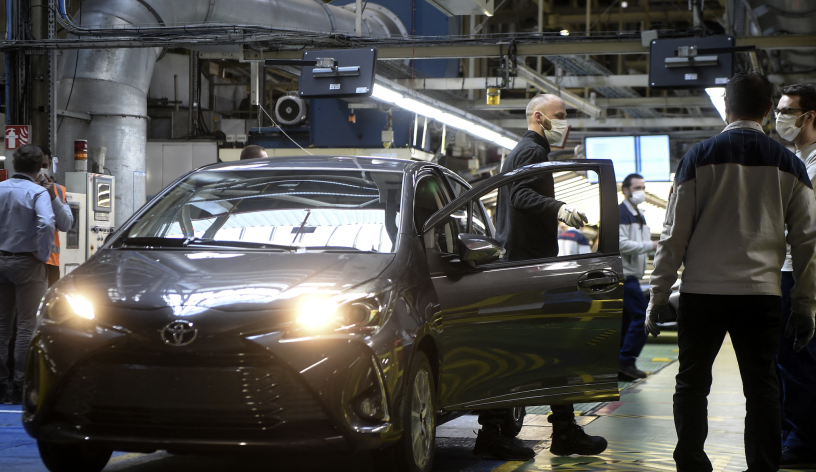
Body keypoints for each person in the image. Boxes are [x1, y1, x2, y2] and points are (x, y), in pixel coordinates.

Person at [647, 71, 816, 472]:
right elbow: (808, 241)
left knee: (691, 383)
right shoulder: (790, 163)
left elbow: (673, 235)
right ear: (766, 110)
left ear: (726, 107)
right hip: (761, 295)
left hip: (702, 294)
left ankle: (690, 461)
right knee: (762, 387)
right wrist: (805, 305)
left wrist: (658, 294)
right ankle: (763, 466)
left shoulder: (698, 157)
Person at [472, 94, 607, 461]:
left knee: (546, 350)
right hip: (525, 269)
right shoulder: (531, 151)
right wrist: (559, 208)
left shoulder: (527, 151)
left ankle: (561, 429)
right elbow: (520, 196)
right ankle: (494, 433)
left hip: (528, 266)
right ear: (539, 117)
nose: (566, 122)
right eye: (560, 116)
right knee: (524, 350)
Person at [775, 83, 816, 468]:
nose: (779, 118)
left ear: (809, 116)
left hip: (799, 273)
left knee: (797, 362)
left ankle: (802, 442)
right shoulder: (797, 161)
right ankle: (796, 433)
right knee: (790, 361)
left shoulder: (814, 165)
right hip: (788, 270)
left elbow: (808, 233)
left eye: (787, 111)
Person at [0, 145, 57, 404]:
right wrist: (43, 254)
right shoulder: (37, 192)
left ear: (14, 165)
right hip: (27, 263)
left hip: (1, 260)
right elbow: (47, 223)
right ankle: (20, 383)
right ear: (39, 168)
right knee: (26, 327)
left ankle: (1, 384)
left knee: (2, 327)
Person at [618, 173, 657, 381]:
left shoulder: (639, 215)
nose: (641, 191)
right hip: (624, 275)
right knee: (643, 317)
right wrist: (651, 246)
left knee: (626, 321)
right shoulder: (621, 213)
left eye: (643, 187)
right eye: (637, 188)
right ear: (625, 190)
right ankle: (625, 360)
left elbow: (641, 247)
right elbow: (622, 244)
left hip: (633, 275)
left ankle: (621, 364)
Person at [38, 145, 74, 286]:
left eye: (45, 165)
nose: (41, 169)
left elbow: (65, 225)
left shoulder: (58, 190)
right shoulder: (21, 189)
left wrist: (53, 197)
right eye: (38, 165)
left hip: (51, 261)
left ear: (50, 164)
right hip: (26, 261)